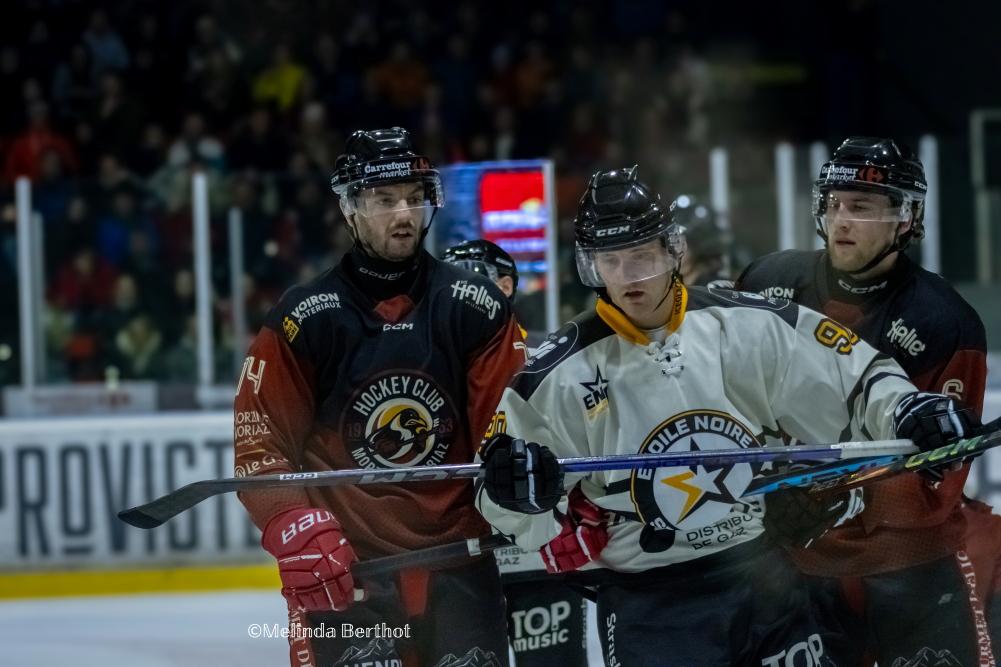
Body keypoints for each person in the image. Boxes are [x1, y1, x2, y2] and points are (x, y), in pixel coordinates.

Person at [473, 165, 985, 667]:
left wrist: (906, 409)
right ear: (590, 267)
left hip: (765, 579)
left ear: (672, 250)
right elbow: (497, 490)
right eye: (610, 261)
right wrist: (515, 494)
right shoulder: (556, 373)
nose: (627, 277)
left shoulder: (747, 323)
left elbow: (854, 378)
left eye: (641, 256)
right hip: (649, 604)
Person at [234, 127, 525, 667]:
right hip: (349, 570)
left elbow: (510, 428)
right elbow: (261, 444)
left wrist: (522, 477)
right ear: (349, 208)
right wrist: (288, 521)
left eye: (414, 198)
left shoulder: (476, 306)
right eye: (385, 200)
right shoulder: (304, 317)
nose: (404, 214)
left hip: (461, 565)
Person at [736, 136, 1001, 666]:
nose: (842, 220)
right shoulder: (766, 283)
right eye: (834, 204)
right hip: (794, 570)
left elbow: (939, 475)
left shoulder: (944, 322)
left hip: (908, 570)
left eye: (861, 207)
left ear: (906, 218)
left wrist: (841, 496)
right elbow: (732, 408)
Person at [443, 238, 589, 667]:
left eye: (467, 281)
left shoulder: (547, 359)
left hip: (538, 555)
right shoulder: (426, 363)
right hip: (463, 563)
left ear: (505, 286)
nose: (452, 296)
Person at [670, 194, 731, 287]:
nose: (671, 254)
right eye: (668, 246)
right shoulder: (665, 290)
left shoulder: (719, 289)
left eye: (679, 245)